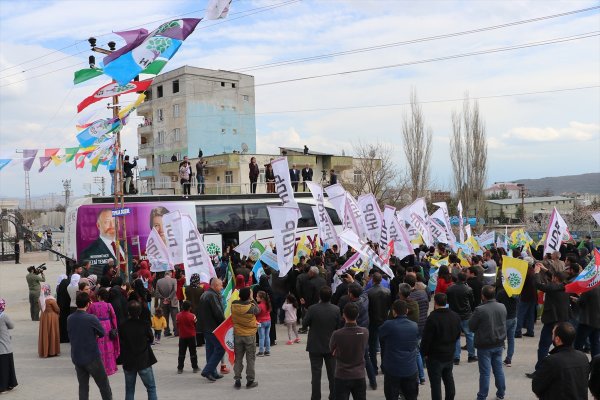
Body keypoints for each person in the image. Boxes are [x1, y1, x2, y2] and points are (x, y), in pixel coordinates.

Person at [67, 291, 113, 400]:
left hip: (77, 356)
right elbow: (102, 332)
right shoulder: (91, 318)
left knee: (83, 386)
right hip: (92, 357)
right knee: (103, 385)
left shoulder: (70, 318)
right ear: (88, 304)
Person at [528, 264, 570, 376]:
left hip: (552, 321)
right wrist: (545, 270)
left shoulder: (553, 288)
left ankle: (540, 370)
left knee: (543, 346)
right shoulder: (566, 285)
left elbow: (537, 284)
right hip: (563, 319)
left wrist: (537, 272)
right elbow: (556, 277)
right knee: (560, 346)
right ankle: (561, 368)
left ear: (556, 279)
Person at [532, 322, 590, 400]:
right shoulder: (583, 357)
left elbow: (536, 386)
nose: (551, 336)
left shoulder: (551, 361)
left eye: (553, 334)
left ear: (557, 339)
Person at [469, 285, 507, 400]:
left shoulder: (480, 310)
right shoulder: (502, 306)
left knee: (485, 373)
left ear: (483, 296)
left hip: (484, 345)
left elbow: (471, 326)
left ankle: (482, 396)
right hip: (499, 342)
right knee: (498, 370)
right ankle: (501, 393)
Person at [421, 293, 462, 400]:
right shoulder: (455, 316)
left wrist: (424, 353)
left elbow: (426, 339)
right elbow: (458, 335)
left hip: (435, 357)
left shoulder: (432, 318)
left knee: (435, 384)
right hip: (449, 354)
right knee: (448, 379)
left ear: (435, 303)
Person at [302, 286, 340, 400]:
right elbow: (339, 327)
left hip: (315, 345)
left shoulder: (312, 309)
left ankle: (315, 397)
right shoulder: (336, 309)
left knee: (316, 374)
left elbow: (304, 324)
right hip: (331, 346)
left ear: (319, 296)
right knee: (332, 374)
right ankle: (333, 396)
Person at [379, 299, 420, 400]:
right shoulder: (414, 326)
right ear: (406, 311)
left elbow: (380, 335)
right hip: (410, 368)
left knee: (391, 395)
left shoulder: (389, 325)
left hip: (393, 369)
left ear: (393, 311)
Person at [119, 300, 158, 400]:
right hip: (143, 359)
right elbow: (151, 338)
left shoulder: (123, 326)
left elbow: (121, 341)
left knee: (129, 389)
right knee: (151, 388)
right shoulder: (144, 324)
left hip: (128, 360)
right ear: (139, 312)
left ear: (128, 312)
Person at [329, 302, 368, 400]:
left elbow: (331, 349)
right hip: (359, 374)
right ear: (358, 315)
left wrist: (337, 351)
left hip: (342, 374)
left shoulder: (337, 334)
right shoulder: (364, 332)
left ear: (343, 315)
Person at [231, 287, 260, 389]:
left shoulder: (233, 304)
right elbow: (258, 310)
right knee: (250, 358)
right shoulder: (251, 307)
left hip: (238, 334)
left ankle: (237, 380)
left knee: (238, 358)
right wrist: (252, 298)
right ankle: (250, 381)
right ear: (248, 296)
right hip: (250, 335)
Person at [87, 288, 120, 376]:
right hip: (108, 326)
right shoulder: (109, 305)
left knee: (98, 346)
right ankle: (110, 367)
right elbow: (113, 317)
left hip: (97, 326)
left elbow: (88, 316)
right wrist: (114, 327)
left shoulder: (92, 305)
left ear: (98, 296)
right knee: (108, 346)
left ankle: (97, 368)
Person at [198, 278, 226, 381]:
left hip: (206, 327)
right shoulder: (212, 295)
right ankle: (207, 370)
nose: (222, 287)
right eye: (220, 285)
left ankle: (212, 372)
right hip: (212, 327)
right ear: (214, 286)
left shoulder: (206, 294)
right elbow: (218, 312)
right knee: (220, 348)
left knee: (210, 350)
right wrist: (224, 323)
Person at [446, 272, 476, 364]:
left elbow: (448, 301)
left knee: (456, 337)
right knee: (469, 335)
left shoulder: (450, 289)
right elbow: (472, 302)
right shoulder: (468, 289)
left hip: (454, 315)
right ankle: (471, 355)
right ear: (465, 279)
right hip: (466, 315)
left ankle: (456, 357)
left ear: (457, 278)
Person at [80, 208, 123, 273]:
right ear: (98, 225)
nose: (112, 225)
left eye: (115, 222)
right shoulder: (89, 252)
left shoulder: (126, 246)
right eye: (107, 222)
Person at [366, 272, 391, 375]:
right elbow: (389, 306)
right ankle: (384, 367)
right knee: (384, 345)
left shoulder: (368, 292)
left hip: (373, 321)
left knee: (372, 346)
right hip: (384, 320)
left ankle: (374, 367)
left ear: (373, 279)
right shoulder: (387, 291)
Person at [573, 284, 600, 357]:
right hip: (597, 321)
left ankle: (579, 362)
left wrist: (577, 299)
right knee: (595, 343)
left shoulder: (589, 288)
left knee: (578, 343)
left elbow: (581, 302)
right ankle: (596, 364)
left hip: (587, 321)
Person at [496, 284, 518, 367]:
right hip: (514, 317)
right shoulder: (516, 293)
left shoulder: (501, 293)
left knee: (500, 339)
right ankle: (509, 359)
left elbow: (496, 305)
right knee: (511, 339)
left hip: (504, 318)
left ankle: (497, 359)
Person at [176, 300, 199, 374]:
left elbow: (177, 324)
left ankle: (180, 368)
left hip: (182, 336)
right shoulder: (193, 316)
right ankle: (195, 367)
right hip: (191, 336)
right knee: (193, 352)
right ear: (190, 308)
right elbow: (196, 325)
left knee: (181, 353)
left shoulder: (178, 315)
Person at [0, 298, 18, 393]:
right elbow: (11, 326)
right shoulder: (3, 316)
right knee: (5, 367)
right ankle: (4, 386)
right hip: (4, 346)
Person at [38, 283, 60, 358]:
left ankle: (45, 350)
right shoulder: (51, 300)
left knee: (45, 333)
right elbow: (57, 309)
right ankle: (52, 351)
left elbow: (41, 308)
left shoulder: (41, 299)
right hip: (52, 317)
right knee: (52, 333)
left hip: (44, 317)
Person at [156, 270, 178, 337]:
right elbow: (175, 290)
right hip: (173, 301)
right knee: (174, 317)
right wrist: (169, 298)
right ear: (170, 274)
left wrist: (163, 298)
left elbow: (157, 292)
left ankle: (166, 331)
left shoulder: (159, 281)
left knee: (165, 317)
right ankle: (176, 331)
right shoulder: (174, 280)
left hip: (163, 302)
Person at [256, 290, 272, 356]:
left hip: (261, 322)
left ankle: (261, 351)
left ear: (261, 298)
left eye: (257, 296)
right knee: (267, 336)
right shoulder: (268, 304)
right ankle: (267, 351)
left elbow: (256, 313)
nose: (256, 297)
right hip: (268, 321)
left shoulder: (259, 306)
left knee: (261, 337)